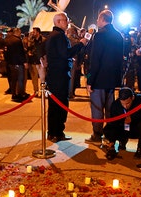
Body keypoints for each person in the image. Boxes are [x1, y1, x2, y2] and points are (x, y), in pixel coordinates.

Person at [44, 13, 86, 143]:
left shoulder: (51, 36)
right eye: (66, 20)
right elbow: (65, 53)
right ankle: (58, 132)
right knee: (60, 105)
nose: (68, 22)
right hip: (60, 76)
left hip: (53, 75)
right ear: (58, 22)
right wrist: (80, 44)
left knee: (53, 105)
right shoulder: (59, 36)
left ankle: (51, 132)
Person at [85, 10, 124, 144]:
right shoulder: (119, 36)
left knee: (97, 109)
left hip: (98, 79)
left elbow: (95, 60)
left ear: (102, 19)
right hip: (112, 79)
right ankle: (109, 135)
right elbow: (121, 60)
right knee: (110, 109)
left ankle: (97, 135)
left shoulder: (99, 35)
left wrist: (89, 78)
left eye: (98, 19)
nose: (96, 21)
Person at [103, 87, 141, 160]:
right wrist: (111, 140)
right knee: (108, 128)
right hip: (122, 127)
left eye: (128, 103)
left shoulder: (140, 100)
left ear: (132, 97)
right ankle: (117, 145)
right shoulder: (115, 105)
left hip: (135, 127)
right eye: (123, 103)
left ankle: (140, 149)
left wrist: (133, 118)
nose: (125, 106)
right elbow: (113, 122)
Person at [4, 27, 29, 102]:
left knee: (13, 79)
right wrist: (24, 62)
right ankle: (20, 94)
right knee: (20, 79)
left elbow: (6, 52)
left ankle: (14, 93)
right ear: (17, 32)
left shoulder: (7, 40)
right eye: (20, 32)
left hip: (11, 63)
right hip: (18, 63)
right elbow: (20, 53)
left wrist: (8, 61)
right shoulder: (18, 41)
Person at [27, 27, 46, 96]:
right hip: (33, 60)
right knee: (34, 78)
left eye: (34, 32)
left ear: (38, 32)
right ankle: (36, 91)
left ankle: (43, 91)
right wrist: (29, 39)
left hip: (41, 61)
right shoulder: (32, 40)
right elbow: (29, 48)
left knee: (42, 78)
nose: (33, 33)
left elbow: (46, 50)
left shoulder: (43, 40)